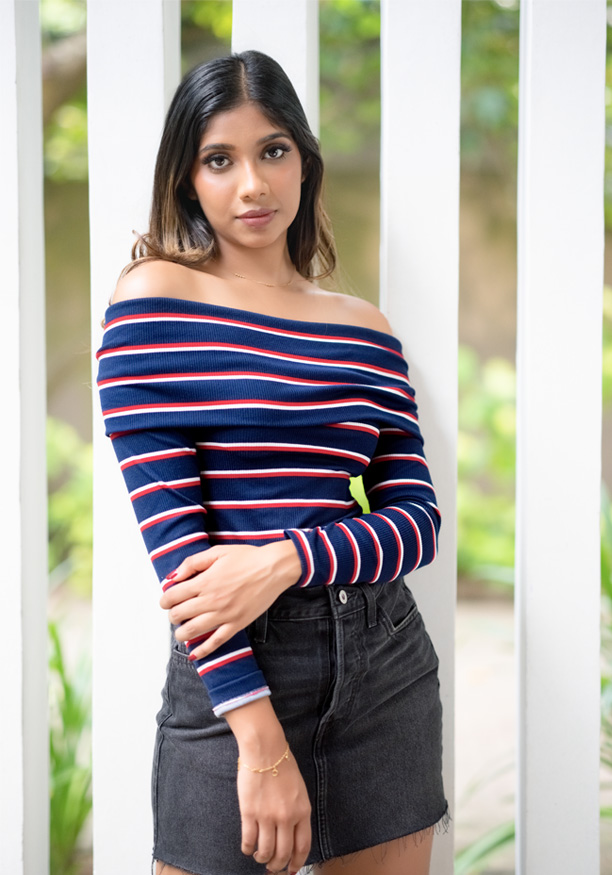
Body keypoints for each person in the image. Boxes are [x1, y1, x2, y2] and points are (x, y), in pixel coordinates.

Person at [96, 50, 448, 875]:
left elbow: (418, 523)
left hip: (382, 659)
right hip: (233, 670)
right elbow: (183, 558)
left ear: (305, 161)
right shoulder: (153, 298)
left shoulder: (366, 328)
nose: (252, 184)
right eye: (220, 159)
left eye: (274, 150)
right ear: (187, 178)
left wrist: (283, 559)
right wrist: (259, 743)